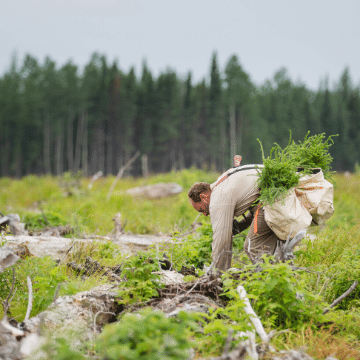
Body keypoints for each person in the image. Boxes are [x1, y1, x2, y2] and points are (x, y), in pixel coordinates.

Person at [188, 164, 281, 272]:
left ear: (203, 197)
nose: (204, 215)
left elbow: (221, 241)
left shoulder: (218, 198)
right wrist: (240, 225)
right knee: (268, 249)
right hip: (277, 192)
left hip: (273, 198)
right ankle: (277, 275)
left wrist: (218, 273)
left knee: (253, 247)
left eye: (201, 210)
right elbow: (255, 201)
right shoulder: (223, 183)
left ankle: (269, 279)